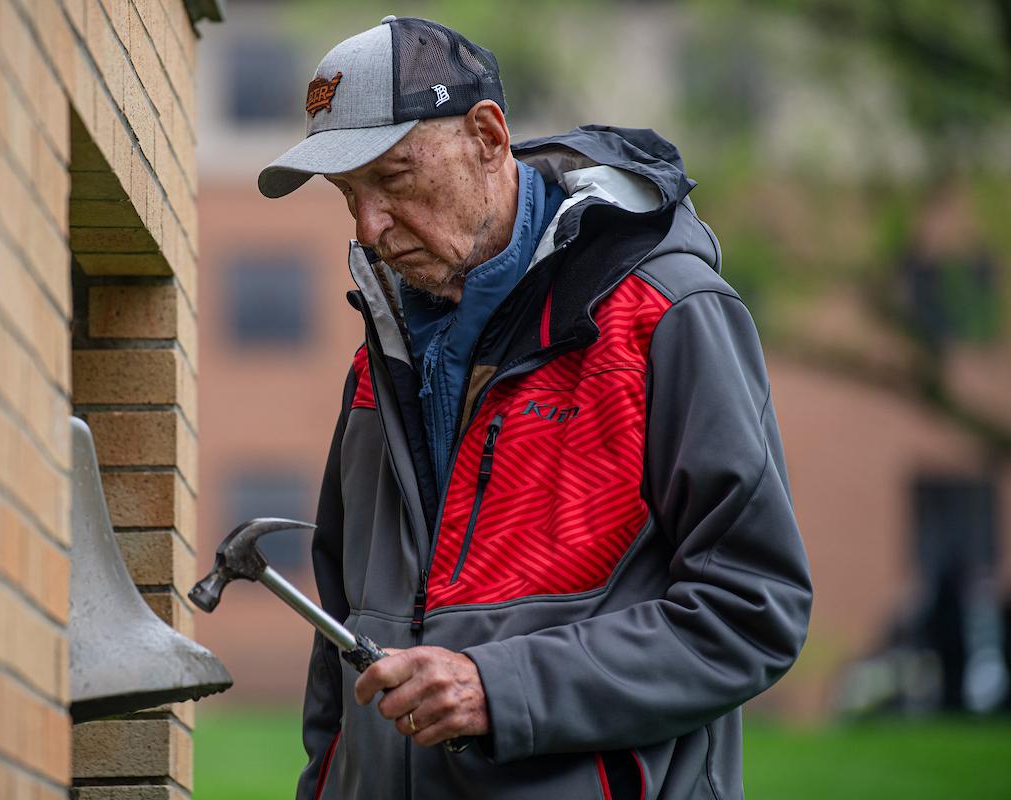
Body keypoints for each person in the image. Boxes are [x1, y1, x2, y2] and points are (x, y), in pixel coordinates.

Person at [258, 15, 812, 800]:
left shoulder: (663, 317)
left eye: (394, 177)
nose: (368, 228)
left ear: (488, 136)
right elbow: (341, 655)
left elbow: (753, 610)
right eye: (349, 195)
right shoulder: (375, 362)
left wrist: (502, 688)